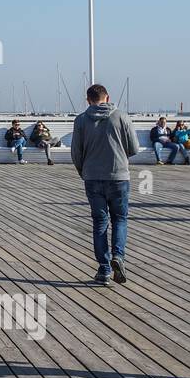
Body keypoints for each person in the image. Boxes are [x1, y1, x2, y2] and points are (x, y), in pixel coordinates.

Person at [71, 84, 140, 286]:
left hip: (92, 177)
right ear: (107, 97)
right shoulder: (121, 116)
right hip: (118, 176)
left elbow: (76, 151)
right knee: (120, 219)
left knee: (100, 222)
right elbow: (134, 148)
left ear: (88, 100)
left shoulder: (81, 120)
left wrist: (83, 171)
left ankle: (104, 269)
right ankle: (118, 256)